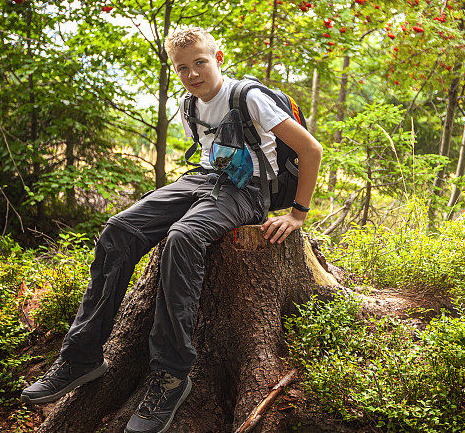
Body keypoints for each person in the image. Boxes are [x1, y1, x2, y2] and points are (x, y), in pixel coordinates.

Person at [20, 27, 323, 433]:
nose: (193, 73)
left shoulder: (248, 97)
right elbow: (209, 159)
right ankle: (82, 357)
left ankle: (171, 374)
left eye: (200, 62)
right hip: (203, 179)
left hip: (247, 192)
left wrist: (298, 214)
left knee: (183, 238)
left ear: (218, 57)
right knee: (119, 229)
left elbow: (311, 149)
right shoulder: (189, 105)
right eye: (182, 68)